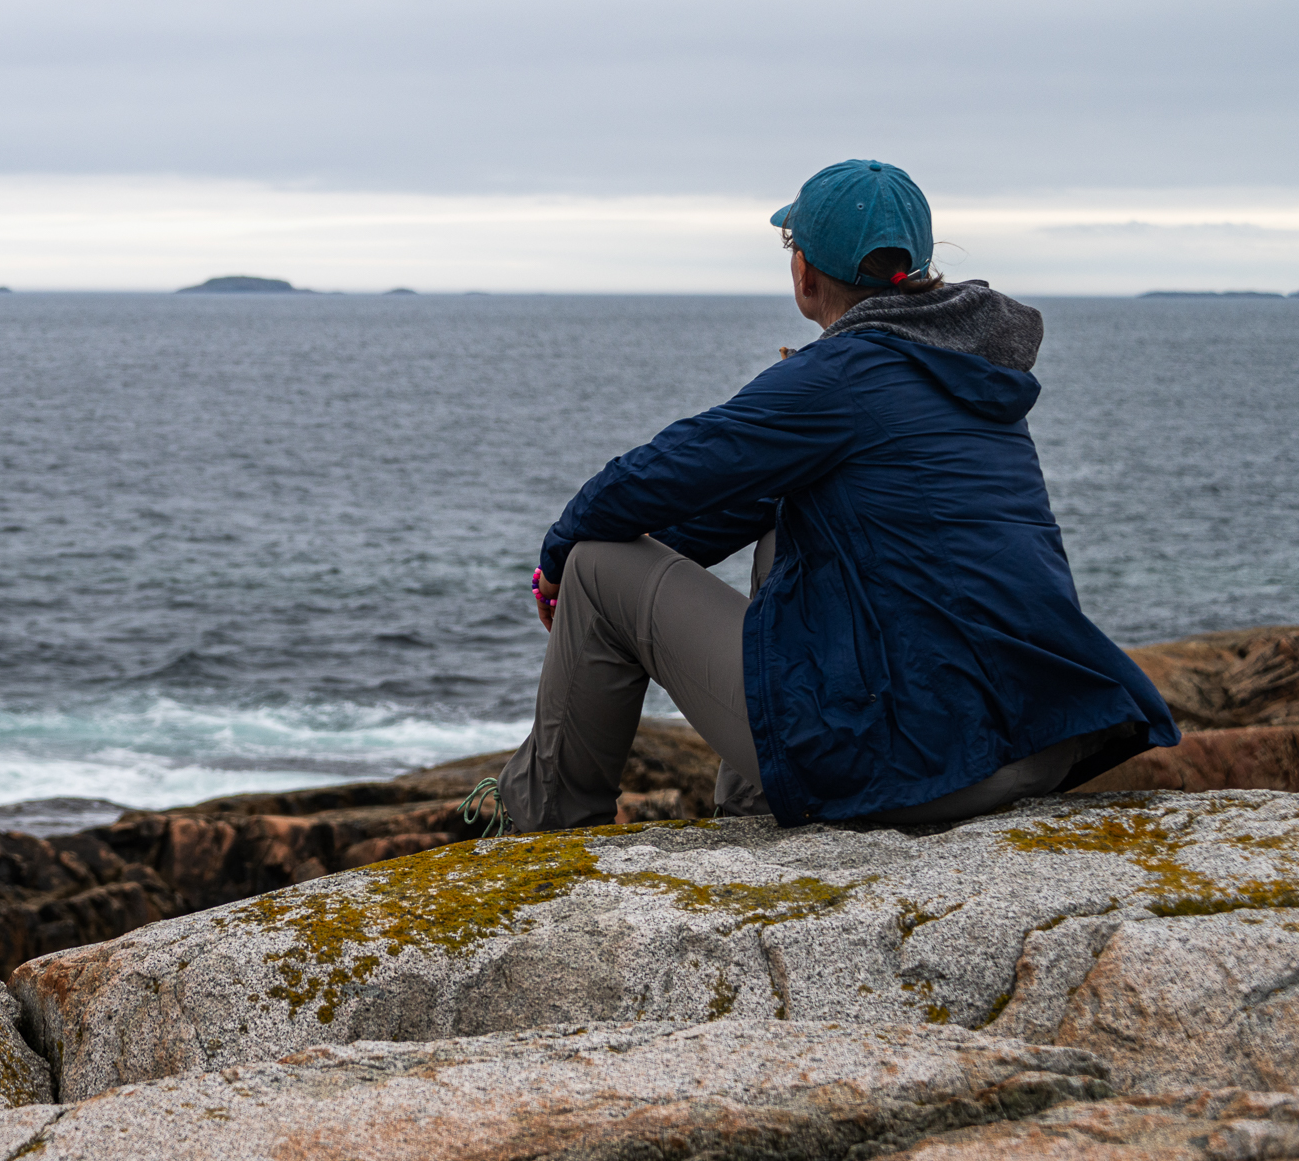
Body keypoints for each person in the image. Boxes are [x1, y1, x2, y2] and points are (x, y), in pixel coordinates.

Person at [486, 159, 1178, 832]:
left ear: (807, 273)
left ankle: (541, 829)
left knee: (599, 563)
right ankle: (754, 808)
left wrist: (558, 560)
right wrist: (663, 548)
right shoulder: (963, 365)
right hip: (1033, 735)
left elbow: (656, 475)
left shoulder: (839, 377)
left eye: (792, 245)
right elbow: (734, 506)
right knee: (786, 530)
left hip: (919, 765)